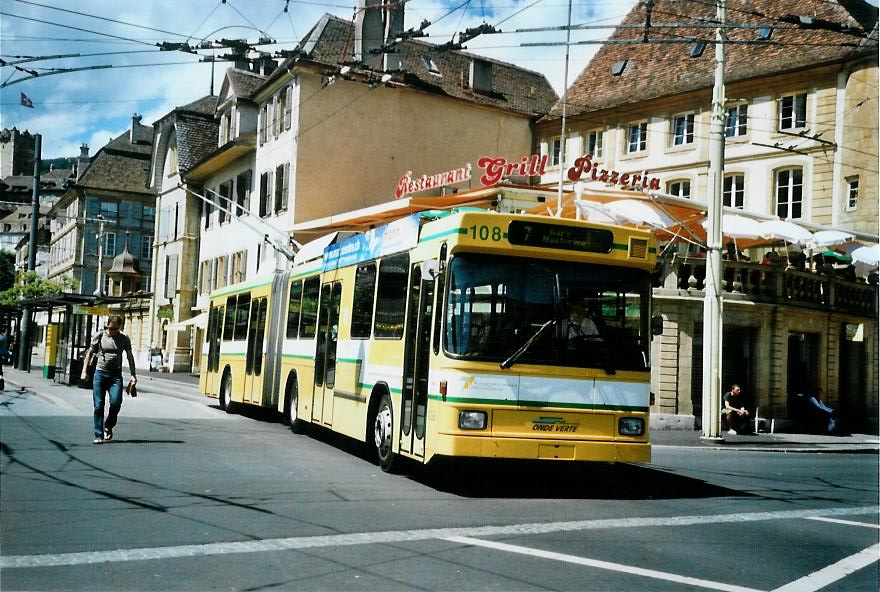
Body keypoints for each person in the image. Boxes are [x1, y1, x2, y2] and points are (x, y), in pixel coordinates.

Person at [81, 315, 137, 444]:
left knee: (116, 403)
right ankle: (98, 434)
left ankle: (109, 425)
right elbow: (89, 353)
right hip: (100, 373)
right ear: (107, 325)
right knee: (99, 405)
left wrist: (133, 374)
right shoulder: (99, 336)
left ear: (120, 327)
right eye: (110, 328)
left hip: (115, 375)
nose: (112, 331)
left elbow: (129, 356)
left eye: (115, 329)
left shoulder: (123, 338)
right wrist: (84, 371)